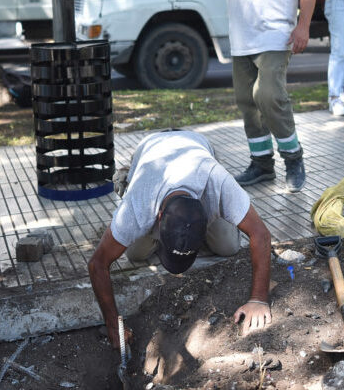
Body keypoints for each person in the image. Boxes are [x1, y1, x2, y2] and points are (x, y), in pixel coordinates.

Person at [88, 130, 273, 350]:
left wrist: (258, 299)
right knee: (136, 254)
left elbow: (261, 234)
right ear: (158, 217)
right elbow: (97, 263)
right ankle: (127, 177)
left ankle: (194, 231)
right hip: (152, 152)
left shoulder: (218, 181)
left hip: (196, 147)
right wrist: (112, 325)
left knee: (229, 246)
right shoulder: (138, 204)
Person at [196, 0, 316, 192]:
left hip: (275, 36)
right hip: (242, 39)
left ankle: (293, 159)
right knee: (247, 102)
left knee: (268, 96)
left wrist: (303, 26)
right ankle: (262, 165)